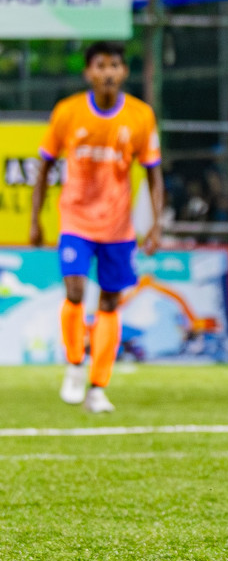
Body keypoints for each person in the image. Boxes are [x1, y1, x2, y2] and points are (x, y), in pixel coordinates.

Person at [29, 41, 165, 414]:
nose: (108, 72)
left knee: (109, 302)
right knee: (74, 290)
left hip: (118, 227)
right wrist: (35, 219)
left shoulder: (140, 116)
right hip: (76, 219)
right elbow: (44, 167)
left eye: (114, 65)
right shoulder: (68, 112)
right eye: (100, 65)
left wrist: (156, 224)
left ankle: (98, 388)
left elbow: (154, 174)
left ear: (124, 72)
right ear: (88, 72)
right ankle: (75, 364)